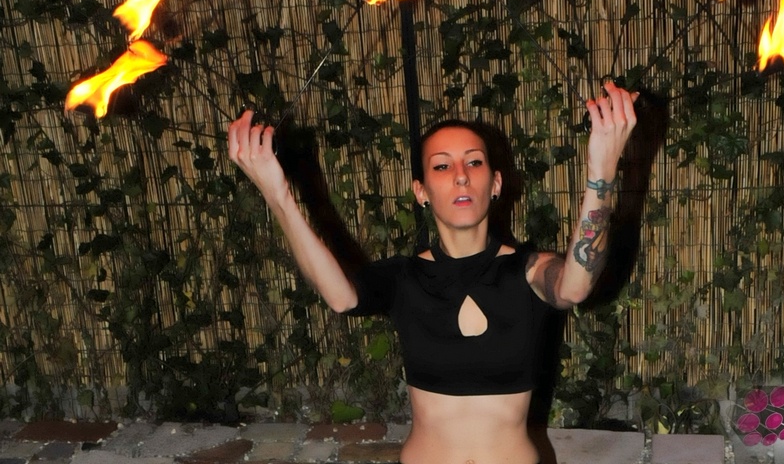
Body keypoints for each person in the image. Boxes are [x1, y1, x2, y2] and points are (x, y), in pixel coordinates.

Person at [227, 80, 638, 464]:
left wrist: (601, 170)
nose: (460, 175)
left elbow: (575, 286)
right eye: (442, 166)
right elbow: (340, 297)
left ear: (496, 184)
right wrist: (277, 195)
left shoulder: (528, 270)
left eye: (474, 162)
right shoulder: (404, 278)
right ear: (421, 192)